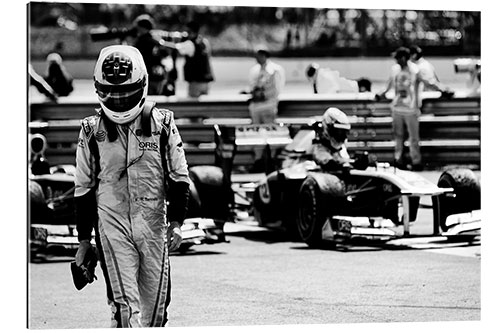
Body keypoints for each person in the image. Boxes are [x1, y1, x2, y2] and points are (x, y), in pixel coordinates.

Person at [73, 45, 191, 327]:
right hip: (111, 224)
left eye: (125, 93)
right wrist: (83, 240)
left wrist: (176, 222)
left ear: (142, 84)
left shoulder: (163, 124)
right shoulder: (91, 130)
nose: (118, 100)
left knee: (156, 311)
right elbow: (83, 187)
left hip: (153, 225)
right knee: (125, 307)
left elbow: (179, 175)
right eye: (111, 93)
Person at [376, 47, 453, 171]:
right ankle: (399, 160)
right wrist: (379, 94)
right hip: (397, 109)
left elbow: (429, 82)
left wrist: (443, 89)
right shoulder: (395, 70)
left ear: (403, 58)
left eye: (397, 58)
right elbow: (388, 86)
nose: (395, 60)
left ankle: (415, 162)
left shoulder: (415, 70)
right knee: (398, 137)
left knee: (413, 138)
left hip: (411, 110)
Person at [161, 21, 214, 98]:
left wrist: (161, 42)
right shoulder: (204, 41)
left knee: (194, 106)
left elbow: (176, 47)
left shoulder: (190, 43)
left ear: (190, 31)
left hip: (196, 81)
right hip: (206, 80)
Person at [132, 14, 175, 96]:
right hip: (159, 75)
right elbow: (166, 55)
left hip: (147, 76)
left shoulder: (141, 41)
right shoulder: (156, 40)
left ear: (141, 27)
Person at [247, 44, 285, 124]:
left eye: (258, 56)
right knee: (255, 131)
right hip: (255, 106)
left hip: (269, 105)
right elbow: (252, 86)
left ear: (264, 55)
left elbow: (277, 88)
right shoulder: (254, 70)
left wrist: (262, 95)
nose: (256, 58)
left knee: (269, 131)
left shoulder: (275, 69)